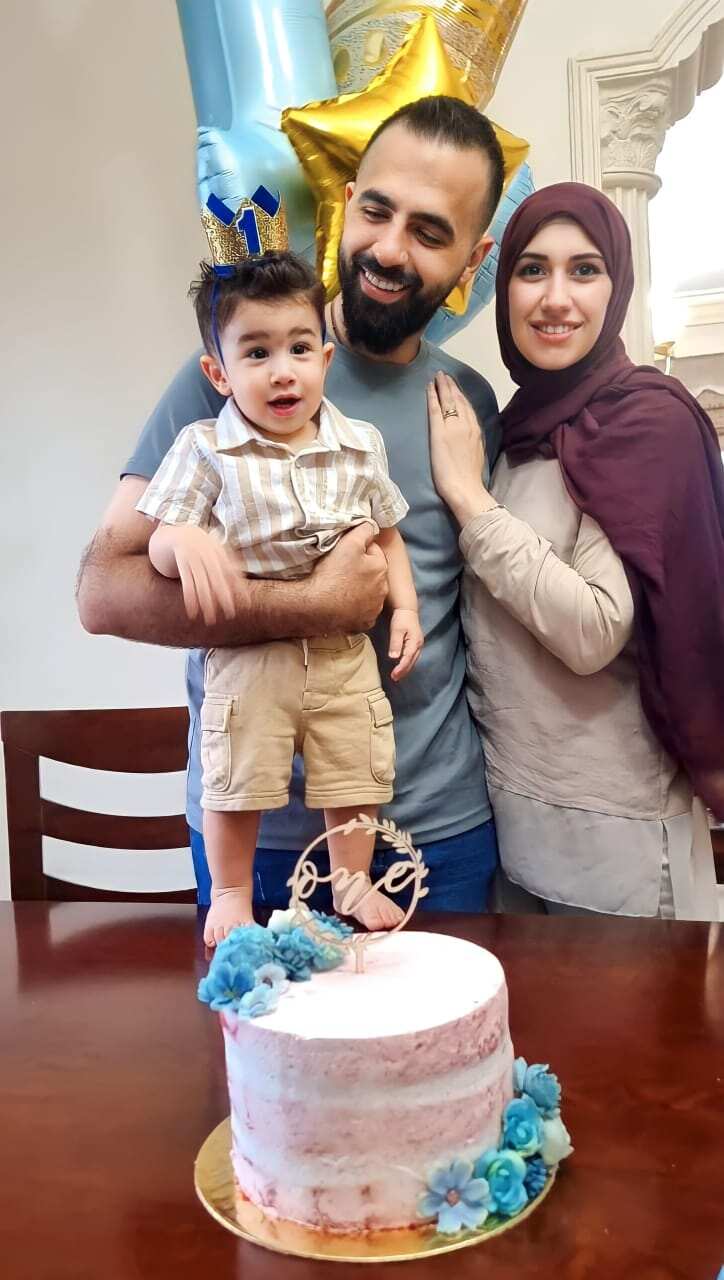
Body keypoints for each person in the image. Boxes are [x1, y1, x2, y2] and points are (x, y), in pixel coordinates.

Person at [76, 95, 505, 913]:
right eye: (377, 210)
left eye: (429, 230)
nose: (388, 248)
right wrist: (313, 604)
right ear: (348, 204)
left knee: (452, 1044)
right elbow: (103, 591)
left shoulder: (468, 403)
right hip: (262, 836)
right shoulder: (228, 381)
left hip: (439, 833)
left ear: (472, 259)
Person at [428, 181, 724, 919]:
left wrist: (471, 502)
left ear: (617, 286)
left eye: (584, 270)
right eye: (532, 270)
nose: (555, 297)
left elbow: (593, 631)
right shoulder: (516, 431)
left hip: (617, 841)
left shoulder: (644, 421)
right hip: (507, 824)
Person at [137, 250, 423, 944]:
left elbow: (384, 534)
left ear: (325, 359)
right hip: (248, 652)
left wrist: (406, 608)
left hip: (343, 652)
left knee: (353, 764)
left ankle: (351, 878)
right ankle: (232, 889)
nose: (282, 370)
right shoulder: (204, 449)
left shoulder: (358, 444)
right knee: (238, 773)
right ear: (219, 372)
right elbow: (153, 541)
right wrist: (182, 541)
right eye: (256, 352)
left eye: (298, 348)